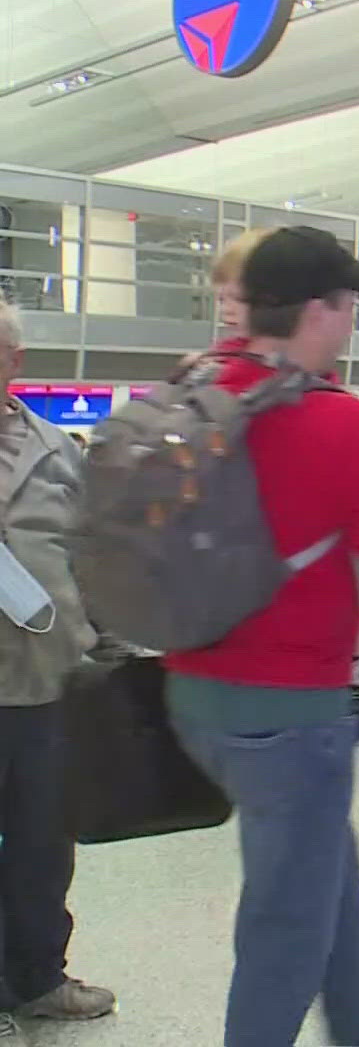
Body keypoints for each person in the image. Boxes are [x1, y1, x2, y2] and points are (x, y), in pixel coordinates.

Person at [158, 229, 359, 1047]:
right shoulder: (337, 422)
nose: (351, 316)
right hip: (288, 711)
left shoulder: (191, 386)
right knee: (287, 923)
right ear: (319, 309)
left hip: (191, 695)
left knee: (325, 878)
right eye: (347, 302)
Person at [0, 302, 115, 1039]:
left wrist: (117, 645)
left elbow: (93, 557)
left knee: (45, 843)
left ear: (12, 360)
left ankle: (39, 978)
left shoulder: (54, 448)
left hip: (44, 682)